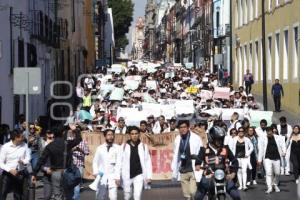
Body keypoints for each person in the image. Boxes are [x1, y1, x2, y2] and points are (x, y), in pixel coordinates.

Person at [32, 125, 82, 199]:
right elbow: (78, 139)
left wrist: (34, 174)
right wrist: (75, 130)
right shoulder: (67, 144)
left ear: (53, 134)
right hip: (67, 172)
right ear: (63, 133)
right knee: (68, 195)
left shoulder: (50, 146)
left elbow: (41, 160)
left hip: (55, 173)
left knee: (58, 195)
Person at [195, 126, 241, 200]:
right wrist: (197, 165)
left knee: (236, 196)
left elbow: (235, 161)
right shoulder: (203, 149)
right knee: (197, 197)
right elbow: (198, 161)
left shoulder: (225, 148)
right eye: (218, 139)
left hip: (224, 176)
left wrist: (233, 173)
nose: (220, 141)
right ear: (211, 138)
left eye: (221, 139)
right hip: (208, 176)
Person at [171, 120, 203, 200]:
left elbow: (201, 152)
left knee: (193, 192)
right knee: (187, 196)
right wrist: (174, 168)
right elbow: (175, 155)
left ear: (188, 127)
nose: (182, 129)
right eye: (180, 127)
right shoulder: (177, 139)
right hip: (183, 170)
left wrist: (199, 164)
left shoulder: (196, 138)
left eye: (184, 127)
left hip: (192, 169)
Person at [121, 126, 152, 200]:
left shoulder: (144, 146)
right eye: (132, 134)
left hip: (139, 174)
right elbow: (119, 161)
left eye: (136, 133)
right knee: (127, 196)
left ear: (139, 134)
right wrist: (117, 176)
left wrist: (149, 177)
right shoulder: (124, 146)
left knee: (137, 196)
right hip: (127, 174)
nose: (134, 135)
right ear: (129, 135)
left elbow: (148, 162)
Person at [0, 129, 31, 199]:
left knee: (18, 195)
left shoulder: (24, 145)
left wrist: (24, 161)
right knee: (2, 194)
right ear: (15, 138)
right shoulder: (5, 147)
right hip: (7, 174)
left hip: (20, 173)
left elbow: (28, 157)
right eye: (21, 137)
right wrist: (10, 170)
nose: (23, 138)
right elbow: (0, 162)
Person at [92, 129, 122, 200]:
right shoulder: (100, 148)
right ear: (105, 136)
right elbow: (95, 162)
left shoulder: (118, 148)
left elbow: (119, 163)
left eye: (112, 135)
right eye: (108, 135)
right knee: (99, 197)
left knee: (113, 197)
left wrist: (117, 177)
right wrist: (96, 172)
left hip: (113, 176)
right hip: (102, 176)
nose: (110, 137)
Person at [258, 127, 286, 194]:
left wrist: (284, 152)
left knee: (277, 173)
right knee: (268, 172)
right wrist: (259, 159)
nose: (269, 133)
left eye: (270, 132)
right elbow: (261, 149)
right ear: (266, 132)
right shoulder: (263, 139)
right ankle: (269, 187)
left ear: (272, 132)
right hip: (267, 158)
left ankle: (275, 184)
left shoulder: (278, 137)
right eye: (268, 132)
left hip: (276, 157)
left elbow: (283, 145)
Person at [70, 130, 90, 200]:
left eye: (77, 134)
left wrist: (80, 150)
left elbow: (87, 152)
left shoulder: (83, 142)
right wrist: (73, 149)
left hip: (80, 165)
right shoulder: (70, 142)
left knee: (77, 184)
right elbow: (66, 152)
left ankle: (75, 198)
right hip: (71, 165)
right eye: (75, 134)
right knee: (71, 183)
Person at [41, 130, 55, 200]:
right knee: (47, 196)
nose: (51, 139)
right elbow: (40, 163)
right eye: (49, 138)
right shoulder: (43, 148)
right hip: (47, 174)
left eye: (53, 137)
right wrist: (46, 169)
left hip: (58, 174)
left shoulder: (58, 146)